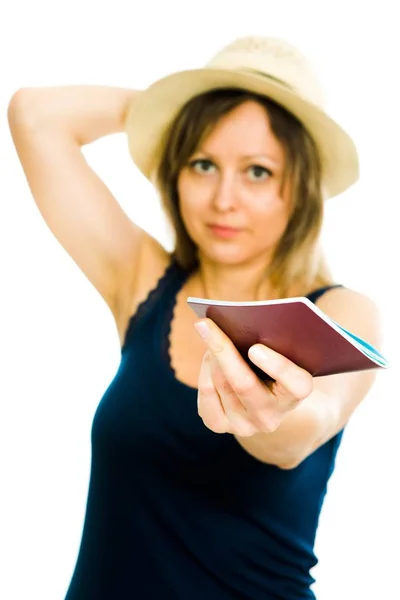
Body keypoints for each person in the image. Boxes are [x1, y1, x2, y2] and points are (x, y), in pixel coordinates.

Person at [8, 35, 381, 599]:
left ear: (299, 190)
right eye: (203, 162)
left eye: (257, 171)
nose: (222, 198)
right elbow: (34, 117)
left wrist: (274, 412)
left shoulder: (339, 309)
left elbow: (305, 429)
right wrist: (175, 110)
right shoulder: (139, 280)